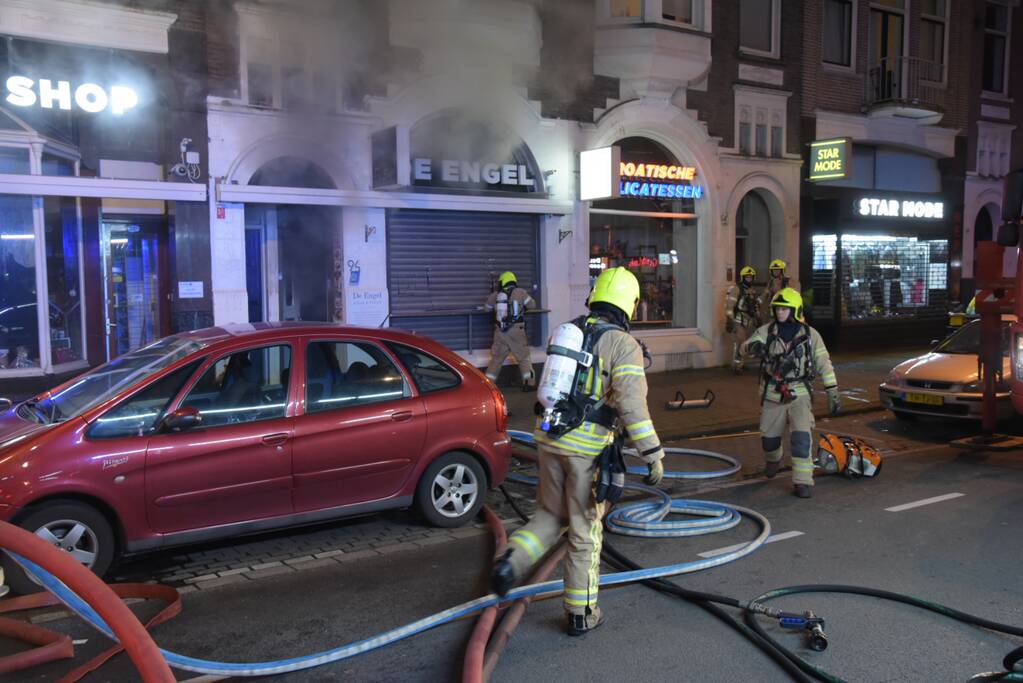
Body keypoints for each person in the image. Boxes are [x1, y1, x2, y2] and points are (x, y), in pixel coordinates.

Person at [490, 267, 665, 635]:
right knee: (585, 530)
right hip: (584, 450)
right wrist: (652, 453)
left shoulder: (569, 329)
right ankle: (581, 612)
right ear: (629, 304)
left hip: (548, 437)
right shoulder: (623, 344)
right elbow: (633, 405)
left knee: (549, 516)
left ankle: (510, 561)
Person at [741, 288, 838, 499]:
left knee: (802, 439)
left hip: (800, 393)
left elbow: (824, 363)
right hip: (773, 394)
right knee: (769, 440)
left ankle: (803, 481)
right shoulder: (767, 331)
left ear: (795, 310)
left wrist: (832, 390)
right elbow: (745, 346)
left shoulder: (811, 335)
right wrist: (753, 348)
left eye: (785, 308)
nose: (780, 313)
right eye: (777, 309)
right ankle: (773, 460)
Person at [484, 271, 536, 390]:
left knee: (496, 360)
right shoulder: (521, 292)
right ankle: (529, 384)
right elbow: (532, 305)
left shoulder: (496, 295)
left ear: (502, 282)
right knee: (523, 358)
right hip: (517, 330)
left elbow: (486, 309)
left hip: (500, 332)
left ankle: (488, 386)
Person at [724, 265, 761, 373]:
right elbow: (729, 305)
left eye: (750, 277)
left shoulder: (752, 291)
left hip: (748, 321)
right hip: (738, 320)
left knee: (745, 344)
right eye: (747, 277)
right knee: (740, 342)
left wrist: (757, 317)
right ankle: (737, 366)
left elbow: (755, 306)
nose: (749, 279)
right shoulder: (736, 289)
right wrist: (730, 320)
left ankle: (741, 363)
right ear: (742, 277)